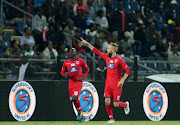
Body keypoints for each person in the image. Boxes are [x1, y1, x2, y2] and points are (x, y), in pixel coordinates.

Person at [81, 38, 130, 123]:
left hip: (117, 85)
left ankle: (125, 105)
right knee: (107, 100)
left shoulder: (119, 60)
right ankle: (111, 119)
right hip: (108, 84)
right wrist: (87, 44)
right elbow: (96, 51)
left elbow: (128, 70)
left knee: (116, 104)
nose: (106, 50)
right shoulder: (107, 57)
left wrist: (122, 80)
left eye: (108, 48)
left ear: (113, 50)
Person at [61, 48, 89, 123]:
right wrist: (64, 74)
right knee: (73, 100)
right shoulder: (66, 62)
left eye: (72, 52)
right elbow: (62, 72)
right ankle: (82, 117)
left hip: (78, 82)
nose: (70, 53)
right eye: (69, 52)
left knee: (75, 97)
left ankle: (80, 113)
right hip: (71, 82)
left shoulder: (80, 61)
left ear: (75, 53)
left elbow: (87, 69)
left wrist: (82, 77)